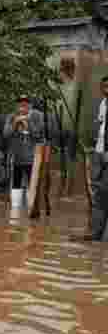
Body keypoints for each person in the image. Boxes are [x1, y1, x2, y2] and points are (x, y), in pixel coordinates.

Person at [78, 75, 108, 242]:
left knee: (103, 192)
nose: (106, 90)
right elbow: (101, 127)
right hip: (99, 152)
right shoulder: (103, 104)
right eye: (104, 87)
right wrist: (94, 149)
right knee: (98, 192)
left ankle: (100, 235)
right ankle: (97, 233)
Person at [3, 96, 47, 196]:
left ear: (30, 105)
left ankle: (31, 207)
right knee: (16, 186)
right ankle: (16, 206)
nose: (23, 105)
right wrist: (15, 123)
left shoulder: (38, 116)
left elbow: (38, 135)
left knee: (32, 186)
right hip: (16, 157)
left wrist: (28, 122)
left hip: (33, 158)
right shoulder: (12, 116)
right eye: (20, 103)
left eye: (25, 103)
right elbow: (6, 134)